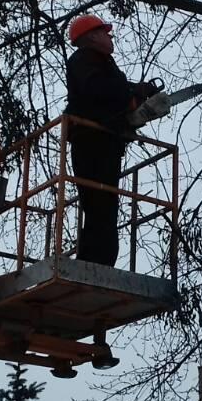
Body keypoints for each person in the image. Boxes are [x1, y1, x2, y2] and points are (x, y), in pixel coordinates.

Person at [63, 14, 160, 266]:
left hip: (104, 142)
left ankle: (100, 262)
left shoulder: (103, 64)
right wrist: (130, 94)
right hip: (91, 143)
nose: (110, 37)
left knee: (104, 208)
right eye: (105, 33)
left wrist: (138, 92)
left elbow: (111, 89)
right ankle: (93, 263)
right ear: (92, 36)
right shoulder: (83, 60)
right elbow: (97, 89)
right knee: (98, 208)